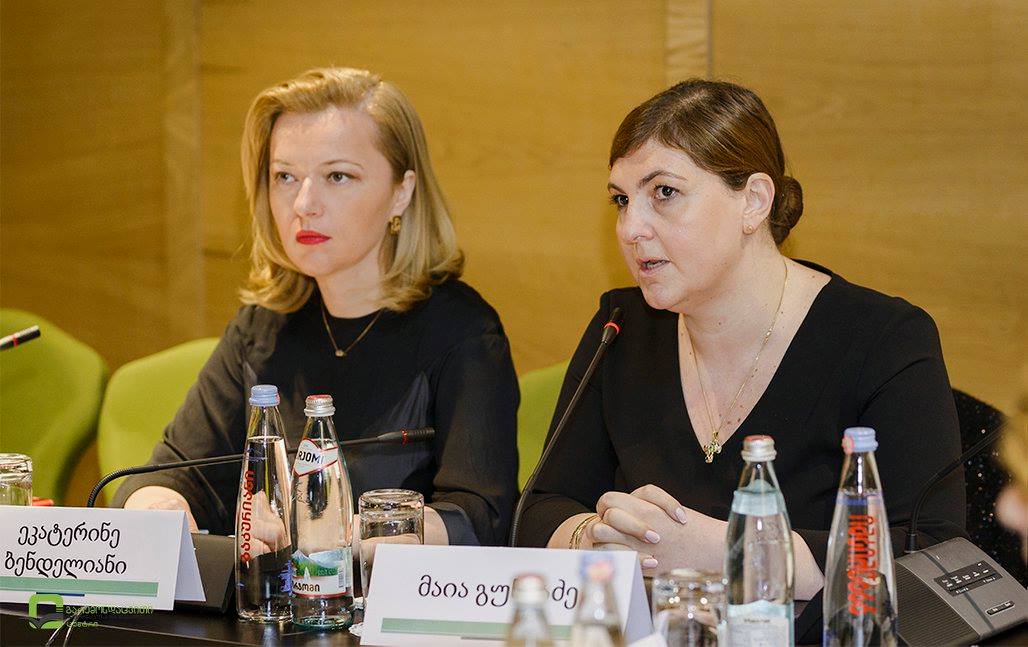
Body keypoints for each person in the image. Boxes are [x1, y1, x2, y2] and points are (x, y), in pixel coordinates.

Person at [515, 79, 965, 602]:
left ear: (753, 201)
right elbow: (539, 507)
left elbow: (933, 557)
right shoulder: (621, 328)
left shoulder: (884, 339)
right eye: (621, 199)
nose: (631, 228)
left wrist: (732, 552)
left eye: (664, 193)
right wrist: (594, 539)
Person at [112, 68, 519, 547]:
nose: (304, 204)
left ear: (402, 192)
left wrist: (350, 533)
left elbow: (481, 516)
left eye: (337, 176)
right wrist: (160, 507)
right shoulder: (262, 326)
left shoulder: (463, 331)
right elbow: (168, 475)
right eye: (285, 176)